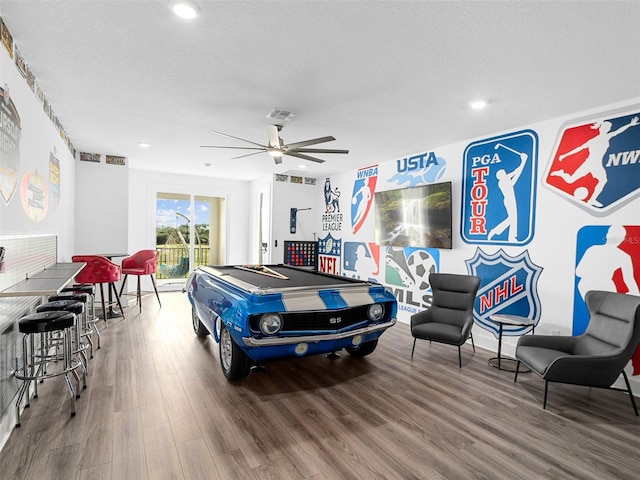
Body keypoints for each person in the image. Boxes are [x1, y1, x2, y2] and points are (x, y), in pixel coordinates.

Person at [550, 116, 639, 207]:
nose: (608, 129)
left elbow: (617, 132)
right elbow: (579, 149)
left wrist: (630, 125)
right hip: (588, 163)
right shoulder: (594, 140)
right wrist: (564, 155)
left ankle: (591, 200)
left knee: (603, 180)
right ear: (601, 129)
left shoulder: (606, 137)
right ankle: (561, 173)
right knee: (570, 180)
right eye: (607, 128)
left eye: (609, 128)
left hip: (597, 164)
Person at [575, 225, 639, 299]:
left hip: (586, 285)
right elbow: (629, 280)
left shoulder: (593, 249)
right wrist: (635, 295)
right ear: (622, 239)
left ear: (607, 235)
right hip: (605, 287)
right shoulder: (623, 256)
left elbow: (578, 272)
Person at [487, 151, 528, 241]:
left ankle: (510, 236)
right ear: (501, 176)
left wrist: (523, 161)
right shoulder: (503, 182)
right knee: (512, 218)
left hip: (510, 199)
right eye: (504, 173)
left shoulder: (505, 181)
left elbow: (516, 173)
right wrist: (523, 161)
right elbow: (516, 173)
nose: (506, 173)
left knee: (512, 218)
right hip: (509, 200)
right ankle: (497, 231)